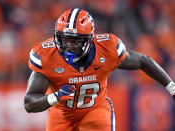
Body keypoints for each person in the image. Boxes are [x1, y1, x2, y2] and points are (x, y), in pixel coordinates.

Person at [24, 8, 175, 131]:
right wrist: (55, 97)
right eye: (64, 39)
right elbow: (29, 103)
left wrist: (172, 87)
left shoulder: (107, 49)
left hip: (94, 110)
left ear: (89, 39)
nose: (68, 46)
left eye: (75, 40)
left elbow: (144, 61)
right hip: (61, 115)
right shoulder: (46, 55)